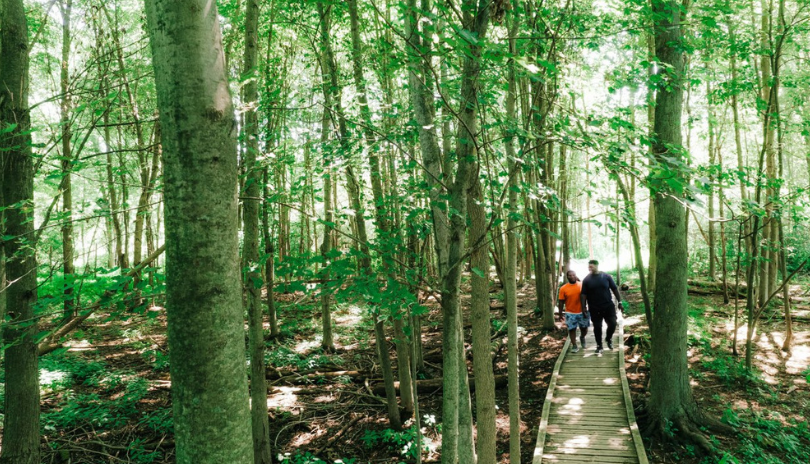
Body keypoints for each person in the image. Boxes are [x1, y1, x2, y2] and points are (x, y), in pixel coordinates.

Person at [580, 259, 625, 354]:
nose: (589, 268)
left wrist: (620, 302)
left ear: (597, 266)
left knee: (612, 324)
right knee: (597, 326)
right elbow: (583, 294)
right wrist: (583, 307)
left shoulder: (606, 276)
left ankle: (608, 338)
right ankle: (599, 345)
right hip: (594, 307)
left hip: (608, 305)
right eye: (589, 267)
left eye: (591, 266)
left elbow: (614, 289)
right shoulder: (587, 279)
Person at [558, 270, 589, 353]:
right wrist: (560, 313)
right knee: (572, 329)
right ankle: (574, 345)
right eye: (570, 275)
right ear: (567, 277)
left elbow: (588, 296)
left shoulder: (582, 285)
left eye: (573, 275)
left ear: (576, 275)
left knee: (584, 329)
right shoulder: (563, 288)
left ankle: (582, 337)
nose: (572, 277)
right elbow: (561, 301)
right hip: (570, 312)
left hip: (582, 311)